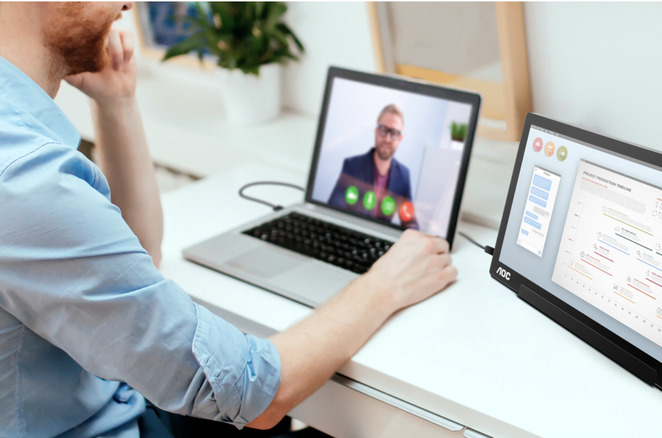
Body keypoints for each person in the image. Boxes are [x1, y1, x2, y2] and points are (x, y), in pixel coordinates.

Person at [0, 3, 456, 437]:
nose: (127, 7)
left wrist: (116, 102)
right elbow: (252, 391)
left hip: (108, 401)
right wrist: (386, 284)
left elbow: (134, 256)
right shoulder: (29, 180)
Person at [327, 104, 418, 229]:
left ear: (400, 138)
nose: (387, 138)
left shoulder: (404, 175)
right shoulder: (352, 165)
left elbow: (410, 222)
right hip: (351, 231)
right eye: (383, 130)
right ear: (376, 131)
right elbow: (334, 208)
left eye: (394, 133)